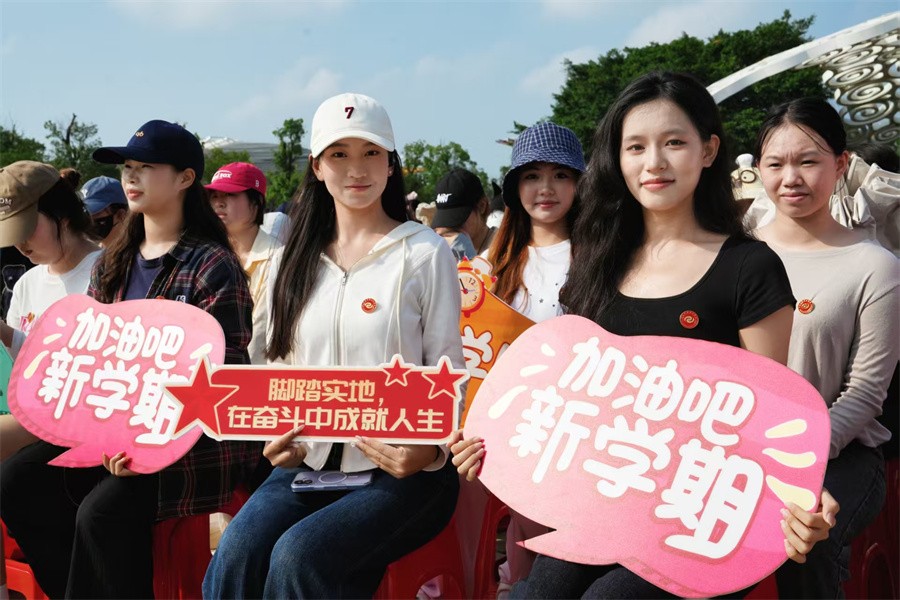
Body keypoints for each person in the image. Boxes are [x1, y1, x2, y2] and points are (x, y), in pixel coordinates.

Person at [454, 72, 835, 599]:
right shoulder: (598, 264)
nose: (654, 162)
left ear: (708, 150)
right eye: (636, 147)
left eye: (674, 142)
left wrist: (806, 496)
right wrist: (488, 440)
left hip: (699, 518)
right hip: (608, 502)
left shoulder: (749, 267)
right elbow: (570, 402)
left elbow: (772, 420)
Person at [203, 93, 464, 599]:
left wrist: (429, 450)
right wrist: (277, 438)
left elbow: (448, 369)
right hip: (309, 464)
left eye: (371, 152)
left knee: (299, 555)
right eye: (338, 154)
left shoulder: (424, 252)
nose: (356, 169)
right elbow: (274, 365)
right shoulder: (291, 260)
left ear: (391, 164)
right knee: (237, 550)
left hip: (403, 470)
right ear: (317, 167)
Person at [0, 120, 259, 599]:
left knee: (100, 512)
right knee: (17, 480)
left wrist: (142, 445)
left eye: (146, 167)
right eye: (127, 167)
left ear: (185, 178)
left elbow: (221, 386)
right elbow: (92, 356)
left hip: (188, 446)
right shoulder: (113, 259)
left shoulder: (212, 265)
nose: (131, 176)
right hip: (112, 431)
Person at [754, 98, 898, 599]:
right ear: (758, 169)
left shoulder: (873, 265)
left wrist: (794, 456)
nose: (791, 178)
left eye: (808, 161)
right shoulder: (732, 253)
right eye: (775, 163)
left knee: (804, 538)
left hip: (841, 452)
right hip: (740, 448)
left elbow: (864, 394)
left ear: (841, 164)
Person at [453, 121, 586, 594]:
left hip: (568, 438)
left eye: (560, 175)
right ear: (514, 188)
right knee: (474, 550)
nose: (545, 188)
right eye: (532, 176)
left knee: (544, 562)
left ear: (580, 183)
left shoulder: (602, 261)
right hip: (492, 438)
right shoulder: (485, 268)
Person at [0, 161, 102, 460]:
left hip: (84, 421)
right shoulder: (28, 283)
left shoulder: (109, 272)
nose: (20, 244)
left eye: (27, 229)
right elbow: (21, 369)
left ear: (62, 215)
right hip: (31, 414)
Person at [206, 162, 283, 365]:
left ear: (256, 202)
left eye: (229, 195)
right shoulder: (206, 256)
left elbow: (261, 333)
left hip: (251, 373)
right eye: (214, 196)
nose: (219, 203)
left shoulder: (277, 258)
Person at [432, 168, 497, 260]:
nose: (450, 227)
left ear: (482, 206)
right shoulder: (445, 250)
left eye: (457, 219)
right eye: (444, 220)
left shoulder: (504, 248)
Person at [81, 175, 129, 247]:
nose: (89, 218)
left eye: (95, 212)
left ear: (121, 215)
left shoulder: (139, 251)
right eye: (85, 213)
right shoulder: (90, 252)